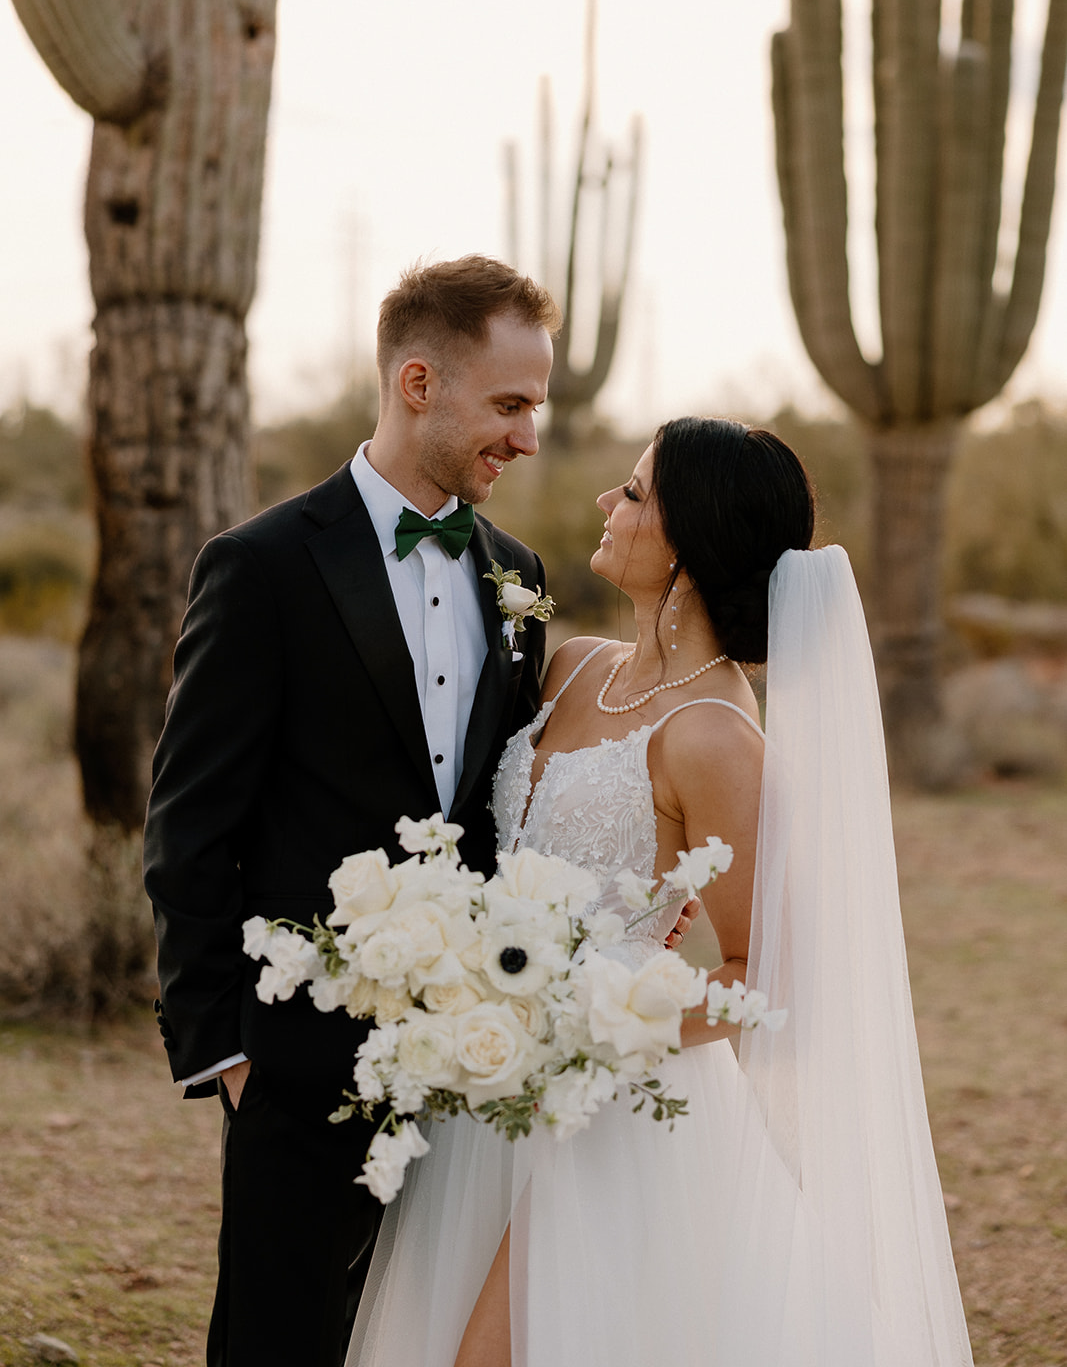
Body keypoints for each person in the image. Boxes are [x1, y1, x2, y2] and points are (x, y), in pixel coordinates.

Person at [346, 416, 975, 1367]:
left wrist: (609, 1017)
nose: (608, 500)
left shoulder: (717, 739)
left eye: (635, 493)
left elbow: (766, 975)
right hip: (483, 1084)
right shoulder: (570, 666)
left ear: (691, 544)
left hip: (616, 1111)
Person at [144, 255, 568, 1367]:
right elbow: (190, 823)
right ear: (417, 382)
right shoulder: (261, 566)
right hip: (296, 1063)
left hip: (471, 1063)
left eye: (538, 406)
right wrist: (223, 1051)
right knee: (280, 1342)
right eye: (510, 404)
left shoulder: (517, 579)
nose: (529, 436)